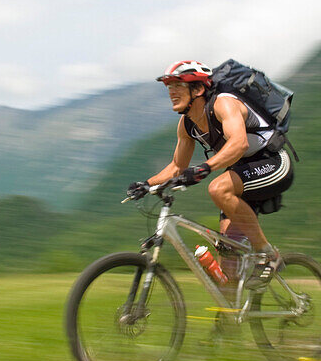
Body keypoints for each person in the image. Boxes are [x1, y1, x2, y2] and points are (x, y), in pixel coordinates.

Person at [126, 60, 294, 289]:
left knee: (218, 188)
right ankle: (229, 320)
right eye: (169, 87)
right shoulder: (187, 125)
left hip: (272, 163)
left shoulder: (224, 104)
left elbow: (239, 143)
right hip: (240, 175)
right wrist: (146, 184)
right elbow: (177, 165)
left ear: (198, 89)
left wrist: (205, 168)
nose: (171, 92)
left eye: (178, 85)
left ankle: (268, 255)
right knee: (227, 263)